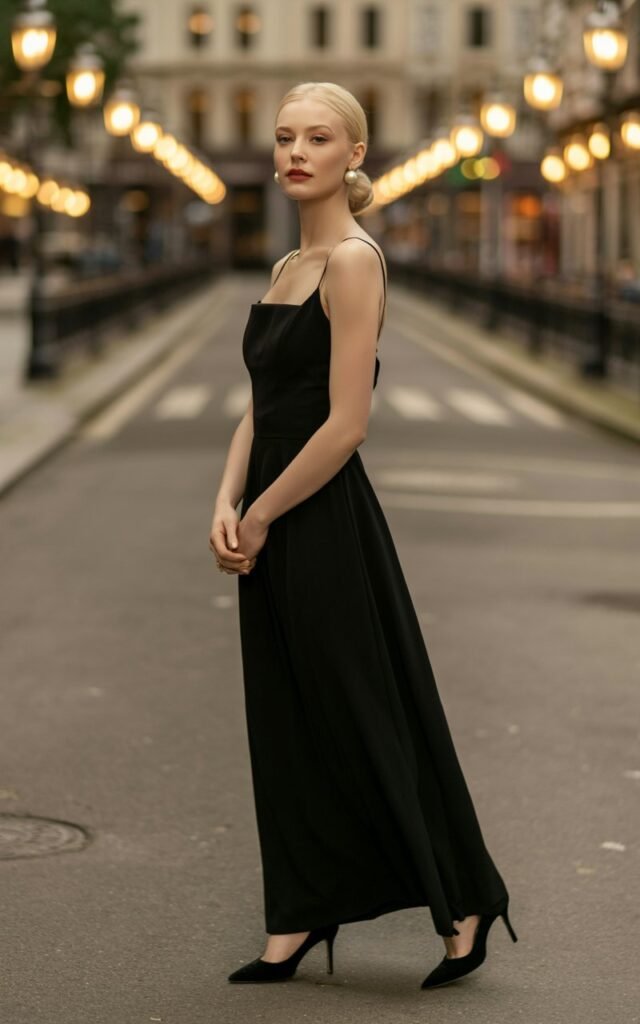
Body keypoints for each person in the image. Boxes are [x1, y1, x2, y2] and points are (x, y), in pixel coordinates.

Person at [209, 81, 518, 990]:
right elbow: (262, 406)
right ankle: (300, 915)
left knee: (366, 713)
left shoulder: (352, 261)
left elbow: (347, 424)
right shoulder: (285, 266)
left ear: (354, 155)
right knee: (287, 720)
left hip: (323, 522)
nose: (294, 153)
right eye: (284, 138)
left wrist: (261, 513)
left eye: (317, 138)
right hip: (269, 516)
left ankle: (464, 899)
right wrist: (224, 499)